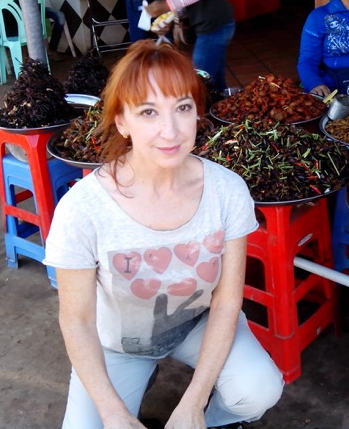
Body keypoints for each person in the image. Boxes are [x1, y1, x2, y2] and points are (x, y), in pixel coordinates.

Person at [43, 41, 284, 429]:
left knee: (258, 389)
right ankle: (136, 383)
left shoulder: (227, 190)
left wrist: (195, 401)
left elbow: (226, 302)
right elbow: (77, 321)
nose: (170, 130)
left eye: (182, 108)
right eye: (149, 112)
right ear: (122, 121)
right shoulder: (83, 209)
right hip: (120, 345)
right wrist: (114, 413)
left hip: (199, 327)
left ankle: (215, 422)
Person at [145, 0, 235, 92]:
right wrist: (168, 18)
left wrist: (167, 5)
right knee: (215, 86)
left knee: (197, 86)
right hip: (214, 25)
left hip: (214, 25)